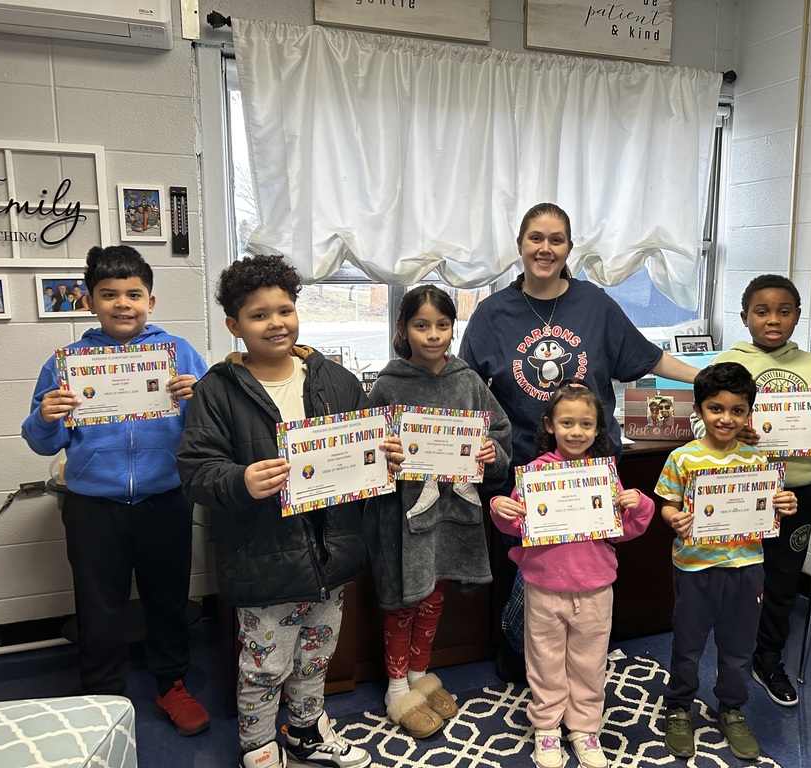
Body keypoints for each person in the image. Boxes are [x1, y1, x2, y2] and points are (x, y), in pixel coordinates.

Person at [176, 254, 402, 768]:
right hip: (263, 561)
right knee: (262, 667)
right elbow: (195, 471)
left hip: (331, 556)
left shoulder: (338, 380)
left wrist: (384, 458)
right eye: (258, 315)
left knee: (315, 659)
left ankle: (305, 731)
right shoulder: (216, 391)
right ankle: (258, 746)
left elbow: (363, 459)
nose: (275, 322)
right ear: (234, 325)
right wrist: (241, 479)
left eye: (285, 310)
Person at [460, 202, 698, 680]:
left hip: (592, 470)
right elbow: (465, 388)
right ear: (521, 244)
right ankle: (523, 662)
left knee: (587, 569)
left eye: (556, 240)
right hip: (525, 471)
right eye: (535, 238)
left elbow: (648, 358)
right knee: (527, 575)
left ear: (569, 248)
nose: (545, 248)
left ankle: (583, 663)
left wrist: (711, 382)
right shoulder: (491, 313)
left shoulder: (594, 304)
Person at [20, 245, 210, 737]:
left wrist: (194, 402)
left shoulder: (180, 354)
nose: (122, 303)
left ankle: (172, 685)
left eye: (133, 294)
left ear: (151, 300)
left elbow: (208, 431)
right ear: (89, 302)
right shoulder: (67, 361)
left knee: (167, 599)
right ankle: (103, 699)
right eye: (109, 295)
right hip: (92, 506)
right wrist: (46, 417)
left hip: (164, 498)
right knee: (98, 605)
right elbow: (44, 443)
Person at [363, 285, 512, 738]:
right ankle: (395, 687)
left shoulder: (467, 381)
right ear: (402, 329)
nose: (432, 335)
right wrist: (384, 455)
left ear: (453, 328)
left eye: (442, 326)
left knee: (433, 593)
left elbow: (501, 436)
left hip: (452, 514)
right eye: (421, 325)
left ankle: (418, 676)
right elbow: (368, 454)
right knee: (404, 597)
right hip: (402, 516)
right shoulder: (387, 385)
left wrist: (491, 454)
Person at [712, 274, 811, 707]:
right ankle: (728, 653)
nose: (773, 320)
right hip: (742, 491)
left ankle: (769, 657)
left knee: (781, 583)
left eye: (784, 311)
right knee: (736, 578)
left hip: (797, 492)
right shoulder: (729, 363)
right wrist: (735, 432)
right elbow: (702, 425)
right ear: (745, 318)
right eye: (762, 312)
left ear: (797, 316)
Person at [490, 380, 654, 768]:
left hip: (596, 588)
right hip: (544, 587)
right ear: (549, 425)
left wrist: (639, 504)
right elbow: (516, 528)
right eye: (567, 423)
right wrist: (501, 508)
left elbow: (624, 530)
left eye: (585, 424)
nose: (576, 432)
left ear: (598, 429)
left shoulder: (605, 474)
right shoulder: (532, 474)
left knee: (590, 662)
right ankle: (547, 730)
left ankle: (584, 728)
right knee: (544, 661)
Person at [655, 363, 798, 760]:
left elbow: (774, 504)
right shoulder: (682, 459)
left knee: (738, 646)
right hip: (695, 567)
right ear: (699, 409)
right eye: (716, 408)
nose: (726, 418)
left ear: (749, 413)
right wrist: (675, 519)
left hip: (746, 566)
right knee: (688, 644)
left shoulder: (757, 462)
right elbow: (666, 506)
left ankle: (731, 708)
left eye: (737, 410)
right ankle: (679, 706)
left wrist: (785, 503)